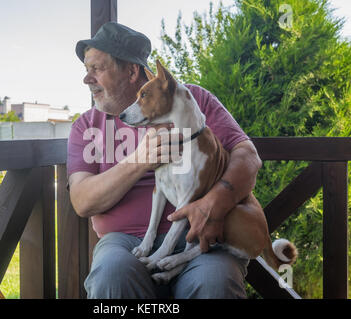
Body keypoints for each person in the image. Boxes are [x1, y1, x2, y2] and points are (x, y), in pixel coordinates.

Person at [68, 22, 262, 299]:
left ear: (132, 71)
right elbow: (82, 200)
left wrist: (214, 205)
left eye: (97, 69)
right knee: (111, 275)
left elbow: (248, 157)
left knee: (215, 282)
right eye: (86, 70)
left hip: (200, 239)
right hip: (123, 244)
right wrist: (139, 161)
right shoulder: (86, 126)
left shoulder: (192, 100)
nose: (87, 79)